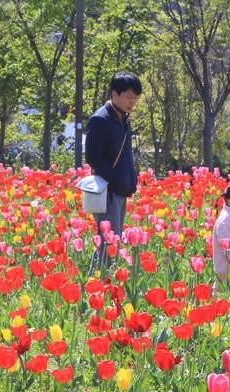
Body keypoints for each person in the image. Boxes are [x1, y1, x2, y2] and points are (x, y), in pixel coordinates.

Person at [85, 72, 141, 273]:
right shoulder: (101, 120)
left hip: (120, 190)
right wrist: (117, 179)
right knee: (109, 243)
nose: (132, 102)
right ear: (114, 94)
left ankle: (97, 281)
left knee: (111, 241)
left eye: (135, 97)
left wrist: (130, 181)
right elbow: (92, 157)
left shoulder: (123, 119)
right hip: (108, 192)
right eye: (128, 97)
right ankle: (98, 284)